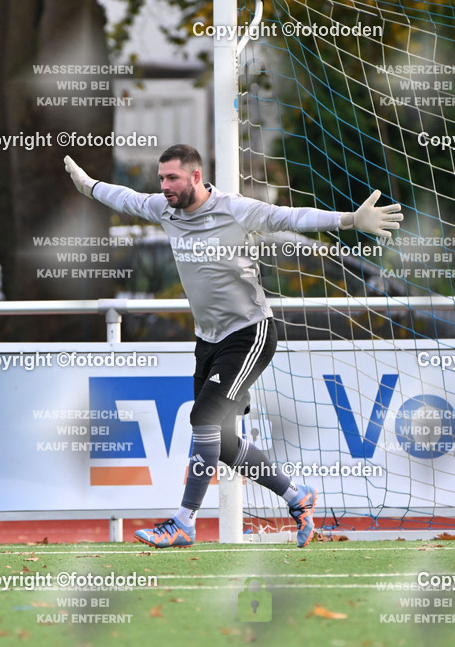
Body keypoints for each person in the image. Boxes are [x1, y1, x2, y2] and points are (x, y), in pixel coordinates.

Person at [65, 145, 402, 548]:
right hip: (207, 340)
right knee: (220, 441)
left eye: (172, 178)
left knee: (203, 422)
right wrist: (89, 187)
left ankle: (184, 522)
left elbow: (291, 217)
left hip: (249, 334)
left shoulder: (235, 209)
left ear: (194, 177)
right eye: (161, 179)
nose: (164, 187)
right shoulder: (165, 208)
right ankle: (298, 496)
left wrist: (349, 219)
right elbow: (126, 198)